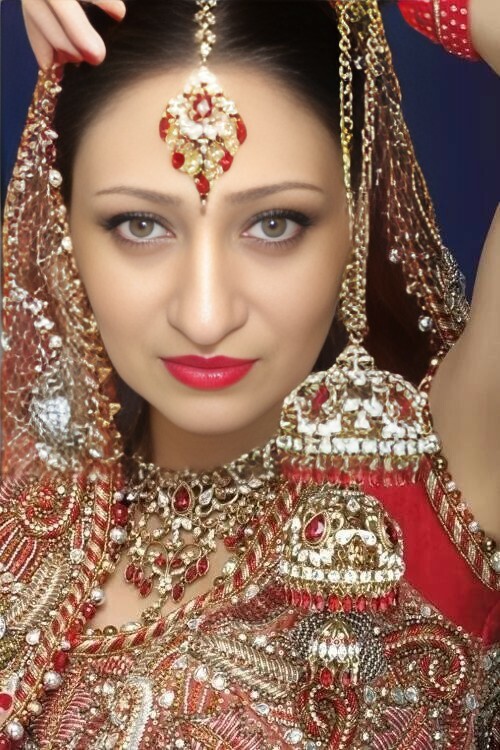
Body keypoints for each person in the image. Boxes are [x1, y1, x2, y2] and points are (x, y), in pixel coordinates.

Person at [1, 0, 499, 748]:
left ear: (357, 221)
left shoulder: (441, 480)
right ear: (61, 225)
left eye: (274, 224)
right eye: (140, 225)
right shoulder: (21, 505)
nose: (206, 316)